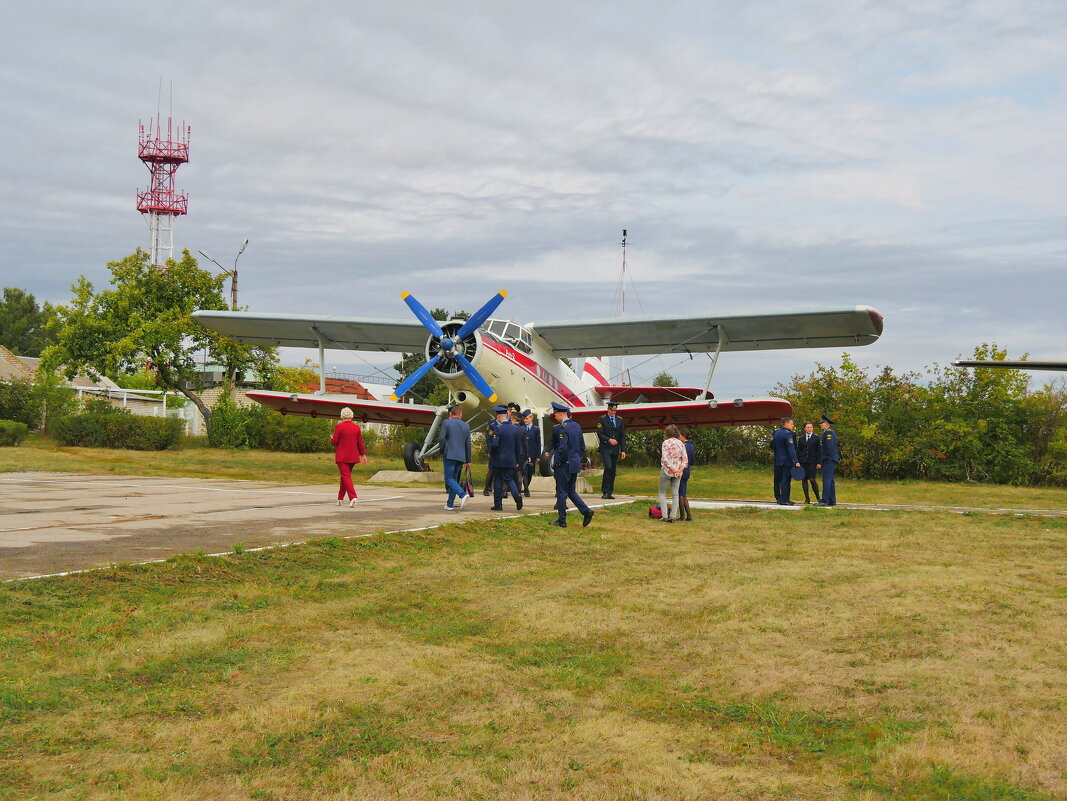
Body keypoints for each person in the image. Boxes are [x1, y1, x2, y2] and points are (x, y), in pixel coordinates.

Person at [547, 402, 593, 528]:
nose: (555, 416)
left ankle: (562, 520)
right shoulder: (577, 426)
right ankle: (586, 511)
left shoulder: (563, 427)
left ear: (561, 414)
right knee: (571, 491)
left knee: (561, 492)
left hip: (564, 464)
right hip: (574, 463)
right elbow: (582, 446)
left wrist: (558, 461)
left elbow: (562, 448)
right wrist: (576, 458)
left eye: (555, 414)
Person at [489, 404, 524, 511]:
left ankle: (498, 505)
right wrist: (517, 460)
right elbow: (518, 447)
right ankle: (516, 495)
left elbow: (495, 444)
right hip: (511, 459)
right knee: (509, 479)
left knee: (498, 480)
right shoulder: (514, 429)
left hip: (499, 459)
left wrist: (491, 453)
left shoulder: (498, 428)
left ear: (499, 416)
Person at [439, 404, 473, 511]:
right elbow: (468, 444)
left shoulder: (446, 422)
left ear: (450, 413)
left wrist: (442, 450)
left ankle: (463, 494)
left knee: (449, 478)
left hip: (449, 454)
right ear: (460, 414)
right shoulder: (466, 426)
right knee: (454, 479)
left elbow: (441, 438)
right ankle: (450, 504)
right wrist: (468, 460)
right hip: (461, 457)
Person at [331, 406, 366, 507]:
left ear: (342, 416)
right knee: (345, 476)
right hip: (353, 457)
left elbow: (335, 441)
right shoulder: (356, 428)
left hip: (342, 456)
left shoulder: (339, 427)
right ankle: (340, 498)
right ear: (351, 416)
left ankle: (353, 497)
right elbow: (360, 443)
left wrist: (331, 438)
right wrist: (363, 454)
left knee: (346, 476)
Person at [596, 400, 627, 499]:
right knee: (608, 467)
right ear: (608, 409)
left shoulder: (619, 420)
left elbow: (622, 436)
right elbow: (600, 433)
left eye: (615, 410)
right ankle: (605, 490)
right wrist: (609, 440)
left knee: (613, 470)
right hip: (605, 447)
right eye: (611, 410)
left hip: (615, 449)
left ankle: (609, 492)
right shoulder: (602, 419)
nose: (613, 412)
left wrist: (623, 450)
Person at [659, 424, 688, 522]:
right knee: (675, 494)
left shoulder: (665, 443)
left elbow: (665, 459)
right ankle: (673, 516)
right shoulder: (681, 443)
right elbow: (685, 460)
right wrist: (679, 470)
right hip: (678, 472)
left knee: (662, 493)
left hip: (667, 471)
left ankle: (664, 516)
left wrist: (673, 469)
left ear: (667, 433)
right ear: (677, 433)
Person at [771, 417, 801, 505]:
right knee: (786, 480)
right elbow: (791, 448)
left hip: (778, 460)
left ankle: (780, 498)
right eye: (791, 424)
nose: (792, 426)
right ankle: (785, 499)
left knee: (779, 480)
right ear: (786, 424)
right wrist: (796, 460)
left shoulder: (776, 433)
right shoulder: (788, 434)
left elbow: (773, 447)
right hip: (787, 461)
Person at [482, 405, 508, 495]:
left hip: (504, 451)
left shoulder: (507, 423)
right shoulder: (492, 424)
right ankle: (486, 488)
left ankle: (504, 490)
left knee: (505, 471)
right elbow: (489, 438)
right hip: (494, 451)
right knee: (492, 470)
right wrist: (490, 451)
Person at [816, 414, 839, 507]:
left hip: (828, 459)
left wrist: (823, 458)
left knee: (827, 480)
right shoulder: (828, 432)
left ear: (826, 423)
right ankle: (831, 500)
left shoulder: (828, 432)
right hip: (829, 459)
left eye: (822, 423)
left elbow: (828, 447)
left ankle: (825, 500)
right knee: (830, 480)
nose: (820, 424)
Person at [795, 420, 821, 504]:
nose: (809, 429)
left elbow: (819, 451)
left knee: (812, 479)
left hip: (812, 462)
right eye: (808, 427)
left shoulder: (816, 438)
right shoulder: (801, 438)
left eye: (811, 427)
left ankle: (818, 498)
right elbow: (799, 450)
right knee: (804, 479)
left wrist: (819, 462)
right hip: (803, 462)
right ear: (804, 429)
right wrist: (797, 461)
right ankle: (807, 498)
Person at [677, 426, 696, 521]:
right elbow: (692, 461)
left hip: (681, 470)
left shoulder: (682, 446)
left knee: (680, 493)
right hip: (687, 470)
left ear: (683, 436)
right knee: (683, 493)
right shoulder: (691, 446)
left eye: (679, 435)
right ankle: (688, 516)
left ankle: (683, 516)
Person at [520, 410, 540, 497]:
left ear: (531, 418)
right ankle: (526, 489)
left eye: (527, 418)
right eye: (524, 419)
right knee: (524, 472)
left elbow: (538, 443)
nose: (525, 420)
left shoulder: (536, 429)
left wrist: (538, 455)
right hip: (524, 454)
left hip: (532, 453)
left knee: (530, 472)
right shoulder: (522, 428)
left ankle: (526, 487)